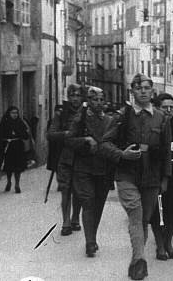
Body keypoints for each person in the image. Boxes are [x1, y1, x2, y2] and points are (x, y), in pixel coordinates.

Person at [101, 74, 171, 280]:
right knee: (135, 213)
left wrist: (165, 178)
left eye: (147, 87)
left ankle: (137, 260)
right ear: (132, 91)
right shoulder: (122, 116)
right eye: (138, 88)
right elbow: (105, 144)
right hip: (126, 174)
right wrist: (122, 154)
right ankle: (139, 259)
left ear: (152, 91)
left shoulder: (161, 118)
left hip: (151, 176)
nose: (143, 91)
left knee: (144, 219)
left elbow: (166, 150)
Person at [67, 87, 112, 257]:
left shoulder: (109, 120)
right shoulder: (81, 117)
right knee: (88, 202)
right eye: (95, 100)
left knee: (98, 205)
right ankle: (90, 242)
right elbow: (69, 140)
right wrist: (85, 139)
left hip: (103, 169)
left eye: (101, 100)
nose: (98, 103)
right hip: (84, 168)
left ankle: (92, 236)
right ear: (89, 100)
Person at [150, 93, 173, 260]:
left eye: (172, 107)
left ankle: (168, 242)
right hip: (156, 172)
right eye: (165, 107)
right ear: (157, 108)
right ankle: (159, 245)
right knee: (157, 212)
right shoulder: (152, 125)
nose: (169, 110)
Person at [47, 84, 84, 235]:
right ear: (68, 97)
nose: (75, 99)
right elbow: (50, 134)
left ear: (82, 97)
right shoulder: (61, 114)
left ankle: (75, 217)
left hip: (82, 157)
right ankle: (66, 222)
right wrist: (66, 134)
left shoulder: (87, 113)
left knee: (79, 191)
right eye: (72, 96)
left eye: (77, 96)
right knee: (66, 190)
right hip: (65, 158)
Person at [0, 106, 29, 193]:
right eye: (13, 113)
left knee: (18, 167)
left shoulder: (20, 123)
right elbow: (0, 136)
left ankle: (17, 184)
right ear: (9, 113)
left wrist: (19, 133)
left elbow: (26, 136)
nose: (15, 115)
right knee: (9, 167)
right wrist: (1, 147)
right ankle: (8, 182)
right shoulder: (4, 123)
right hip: (8, 147)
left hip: (18, 147)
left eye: (16, 113)